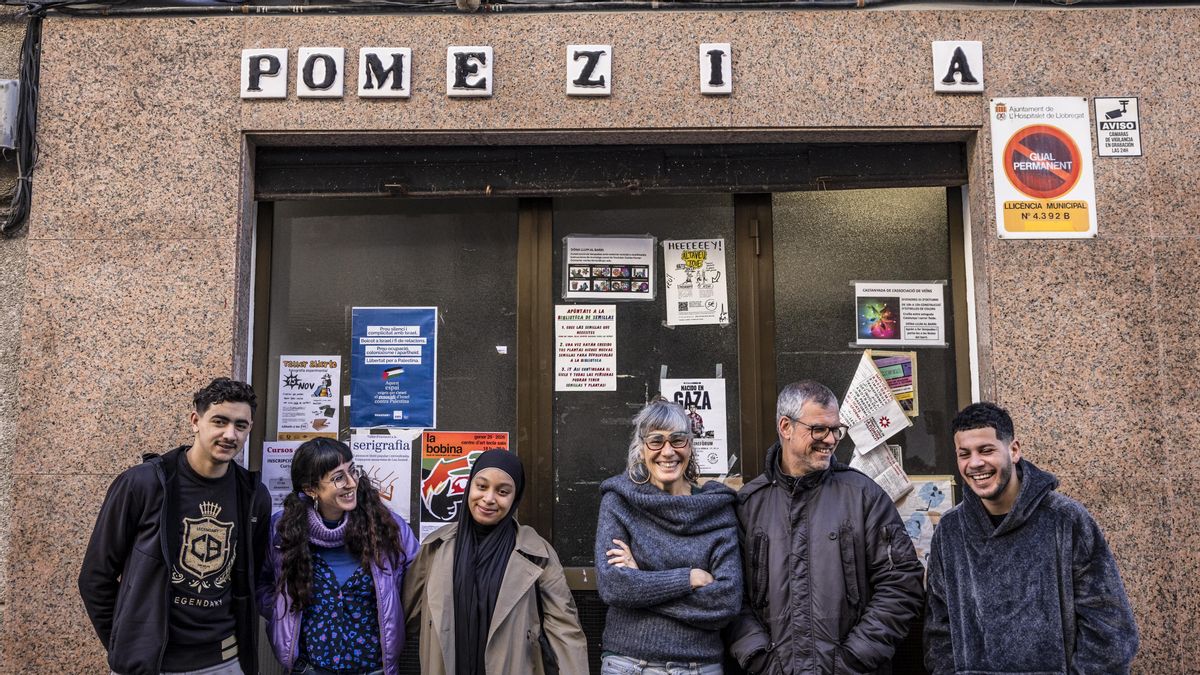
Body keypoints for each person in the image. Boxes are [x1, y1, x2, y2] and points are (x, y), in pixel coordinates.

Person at [923, 402, 1138, 674]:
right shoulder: (950, 531)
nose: (975, 463)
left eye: (986, 450)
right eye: (964, 454)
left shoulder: (1066, 520)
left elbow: (1109, 626)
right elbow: (939, 629)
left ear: (1013, 450)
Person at [727, 380, 924, 674]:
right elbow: (731, 595)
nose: (831, 440)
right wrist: (761, 660)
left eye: (836, 430)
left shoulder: (864, 496)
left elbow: (901, 584)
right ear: (785, 427)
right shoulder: (749, 505)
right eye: (819, 429)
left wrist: (853, 660)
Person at [79, 378, 271, 675]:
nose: (230, 434)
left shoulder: (253, 496)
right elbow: (95, 577)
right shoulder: (143, 484)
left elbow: (251, 576)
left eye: (241, 425)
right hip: (152, 665)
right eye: (219, 421)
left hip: (224, 662)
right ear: (196, 420)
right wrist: (127, 646)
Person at [402, 449, 589, 674]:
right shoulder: (436, 547)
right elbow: (403, 617)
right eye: (481, 486)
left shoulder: (537, 554)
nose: (489, 499)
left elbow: (565, 632)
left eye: (502, 491)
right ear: (469, 485)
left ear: (515, 496)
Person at [594, 399, 742, 675]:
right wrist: (689, 578)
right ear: (640, 448)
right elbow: (614, 586)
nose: (667, 451)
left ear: (690, 445)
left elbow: (726, 602)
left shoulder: (717, 509)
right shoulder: (619, 501)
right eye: (656, 441)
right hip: (629, 664)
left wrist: (642, 582)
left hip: (700, 667)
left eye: (678, 440)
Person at [258, 438, 420, 675]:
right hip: (309, 669)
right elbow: (261, 581)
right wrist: (281, 612)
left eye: (352, 470)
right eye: (338, 477)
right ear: (310, 489)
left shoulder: (387, 527)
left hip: (374, 670)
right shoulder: (283, 530)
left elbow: (418, 581)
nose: (352, 482)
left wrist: (394, 616)